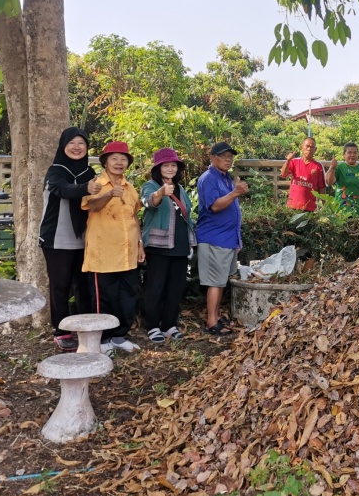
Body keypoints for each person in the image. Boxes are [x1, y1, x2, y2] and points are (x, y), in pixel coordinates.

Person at [39, 127, 100, 351]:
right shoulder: (55, 171)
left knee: (83, 286)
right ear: (63, 146)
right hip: (56, 239)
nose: (76, 147)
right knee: (60, 286)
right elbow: (63, 190)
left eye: (81, 143)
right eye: (71, 143)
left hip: (84, 239)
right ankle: (61, 330)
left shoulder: (89, 172)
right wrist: (86, 188)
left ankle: (85, 326)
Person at [81, 141, 144, 354]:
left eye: (123, 159)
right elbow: (92, 206)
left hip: (127, 253)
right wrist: (109, 194)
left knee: (128, 296)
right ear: (105, 162)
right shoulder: (96, 184)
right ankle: (103, 340)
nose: (119, 162)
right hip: (103, 253)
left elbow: (134, 217)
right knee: (104, 299)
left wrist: (140, 244)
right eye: (114, 158)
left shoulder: (130, 188)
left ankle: (119, 337)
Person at [141, 148, 196, 344]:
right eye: (166, 165)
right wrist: (161, 193)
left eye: (174, 165)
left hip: (180, 244)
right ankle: (152, 325)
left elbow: (188, 213)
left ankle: (169, 325)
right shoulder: (150, 185)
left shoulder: (180, 189)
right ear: (158, 168)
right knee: (155, 286)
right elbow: (148, 202)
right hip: (158, 245)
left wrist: (190, 242)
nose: (171, 169)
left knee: (175, 287)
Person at [196, 142, 249, 335]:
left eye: (230, 156)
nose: (228, 159)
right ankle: (211, 321)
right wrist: (236, 192)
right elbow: (215, 206)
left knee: (220, 281)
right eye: (223, 156)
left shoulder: (225, 178)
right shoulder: (208, 178)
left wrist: (237, 239)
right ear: (212, 158)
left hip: (226, 238)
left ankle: (216, 316)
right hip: (213, 238)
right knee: (215, 282)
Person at [282, 137, 326, 212]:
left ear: (315, 149)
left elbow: (322, 188)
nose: (309, 149)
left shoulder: (318, 166)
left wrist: (324, 206)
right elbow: (283, 174)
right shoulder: (294, 162)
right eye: (307, 146)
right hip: (292, 206)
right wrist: (288, 160)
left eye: (311, 147)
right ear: (301, 147)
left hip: (310, 208)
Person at [325, 142, 359, 214]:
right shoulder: (339, 168)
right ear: (344, 154)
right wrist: (332, 168)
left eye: (355, 152)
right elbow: (329, 182)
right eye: (349, 152)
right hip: (343, 211)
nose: (352, 155)